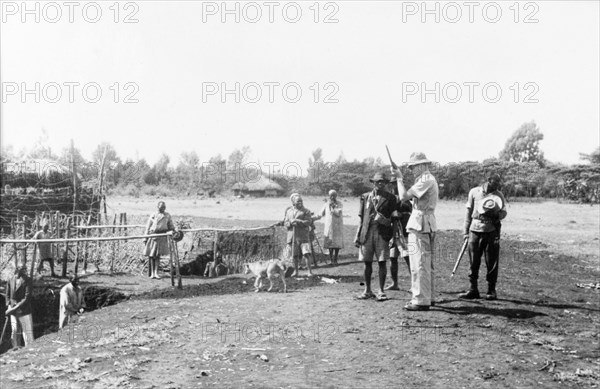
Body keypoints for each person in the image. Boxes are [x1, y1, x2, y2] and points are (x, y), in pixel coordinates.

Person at [391, 152, 439, 311]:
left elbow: (404, 196)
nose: (412, 169)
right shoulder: (427, 180)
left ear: (423, 165)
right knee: (426, 264)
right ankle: (428, 297)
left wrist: (399, 178)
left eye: (414, 166)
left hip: (421, 225)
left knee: (419, 264)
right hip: (426, 223)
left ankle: (420, 300)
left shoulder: (426, 179)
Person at [459, 173, 507, 300]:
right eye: (494, 182)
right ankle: (473, 289)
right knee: (473, 260)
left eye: (498, 183)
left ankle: (491, 290)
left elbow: (504, 212)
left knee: (492, 261)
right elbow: (468, 212)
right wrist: (465, 232)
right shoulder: (474, 192)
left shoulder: (499, 195)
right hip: (474, 230)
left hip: (491, 230)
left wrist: (496, 214)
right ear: (488, 180)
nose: (496, 186)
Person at [354, 172, 397, 301]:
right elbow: (361, 218)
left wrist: (393, 236)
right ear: (373, 183)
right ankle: (367, 290)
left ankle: (381, 291)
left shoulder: (391, 198)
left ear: (385, 183)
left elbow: (395, 219)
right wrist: (357, 235)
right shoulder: (365, 197)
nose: (380, 184)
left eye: (382, 182)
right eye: (377, 181)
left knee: (382, 262)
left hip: (382, 233)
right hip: (366, 233)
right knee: (367, 262)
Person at [284, 193, 320, 277]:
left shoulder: (306, 211)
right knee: (295, 255)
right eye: (298, 201)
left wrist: (298, 221)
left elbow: (308, 222)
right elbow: (285, 222)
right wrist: (290, 223)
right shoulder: (289, 211)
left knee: (306, 254)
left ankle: (309, 272)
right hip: (292, 236)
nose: (300, 202)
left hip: (303, 236)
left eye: (301, 201)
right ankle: (296, 272)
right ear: (293, 202)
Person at [386, 177, 412, 291]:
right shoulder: (391, 199)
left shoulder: (404, 199)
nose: (393, 187)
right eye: (392, 184)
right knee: (392, 258)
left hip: (403, 233)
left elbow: (399, 216)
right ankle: (394, 283)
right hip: (394, 233)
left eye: (395, 184)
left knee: (407, 258)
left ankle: (414, 284)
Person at [143, 201, 176, 279]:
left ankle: (156, 272)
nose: (162, 209)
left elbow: (171, 226)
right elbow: (148, 227)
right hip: (153, 235)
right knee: (151, 255)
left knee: (158, 255)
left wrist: (174, 231)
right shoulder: (153, 215)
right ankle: (152, 274)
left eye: (164, 207)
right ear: (157, 207)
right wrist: (145, 238)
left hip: (162, 236)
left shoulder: (167, 215)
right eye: (161, 208)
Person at [5, 266, 34, 347]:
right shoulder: (10, 279)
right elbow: (7, 295)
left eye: (22, 271)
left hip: (24, 311)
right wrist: (8, 306)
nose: (19, 273)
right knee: (14, 332)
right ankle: (16, 349)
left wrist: (15, 308)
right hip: (13, 312)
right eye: (18, 271)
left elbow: (27, 297)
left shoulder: (28, 280)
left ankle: (30, 349)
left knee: (27, 333)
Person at [319, 189, 344, 265]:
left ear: (336, 196)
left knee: (336, 243)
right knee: (330, 242)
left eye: (333, 195)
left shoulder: (339, 203)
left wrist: (333, 208)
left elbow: (338, 213)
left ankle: (335, 259)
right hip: (329, 226)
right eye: (330, 195)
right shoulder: (326, 204)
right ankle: (331, 259)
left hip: (337, 226)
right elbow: (321, 213)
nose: (332, 197)